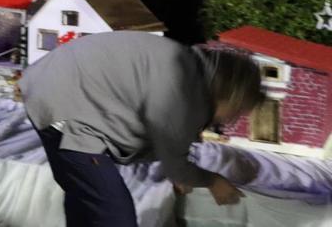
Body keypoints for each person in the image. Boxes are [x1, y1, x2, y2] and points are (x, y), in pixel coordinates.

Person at [19, 31, 264, 226]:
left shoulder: (187, 69)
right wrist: (212, 181)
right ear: (230, 95)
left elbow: (162, 138)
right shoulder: (182, 88)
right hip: (67, 109)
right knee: (114, 212)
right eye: (240, 109)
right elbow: (174, 158)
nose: (235, 118)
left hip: (58, 92)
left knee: (87, 200)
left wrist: (178, 169)